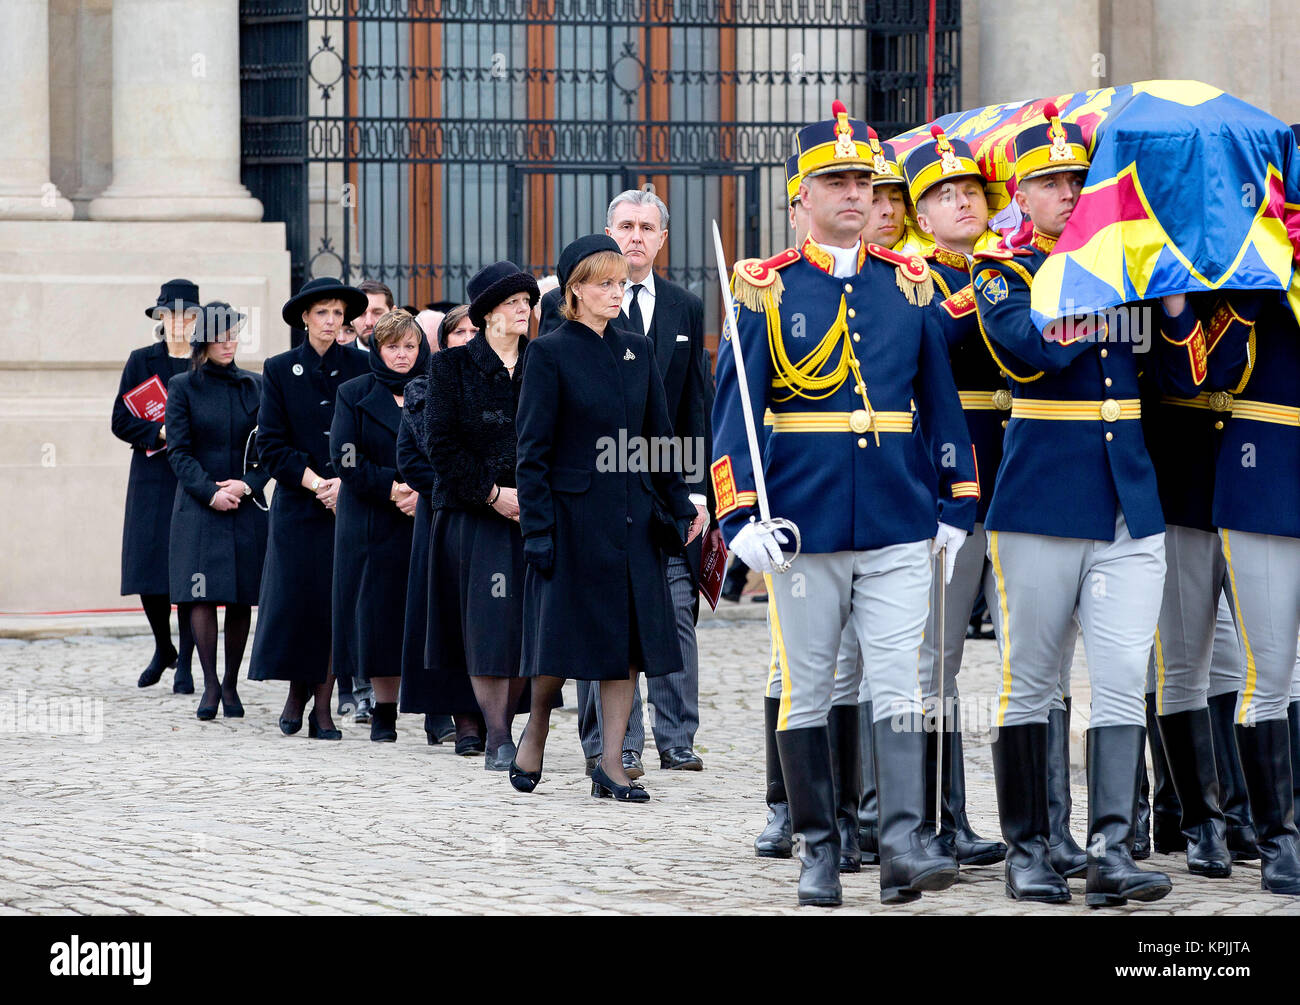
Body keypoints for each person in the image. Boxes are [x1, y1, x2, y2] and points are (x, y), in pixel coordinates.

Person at [715, 101, 977, 907]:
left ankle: (900, 839)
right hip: (805, 520)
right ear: (801, 198)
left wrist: (956, 497)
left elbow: (938, 400)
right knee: (810, 684)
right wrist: (737, 517)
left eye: (863, 181)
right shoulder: (763, 288)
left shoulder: (910, 283)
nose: (855, 195)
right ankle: (819, 848)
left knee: (899, 678)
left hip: (899, 512)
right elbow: (732, 413)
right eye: (835, 181)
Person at [967, 103, 1175, 907]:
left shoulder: (1131, 266)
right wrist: (1104, 297)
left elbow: (1178, 377)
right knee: (1032, 681)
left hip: (1129, 499)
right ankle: (1028, 849)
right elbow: (1029, 346)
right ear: (1021, 193)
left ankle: (1112, 848)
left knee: (1123, 676)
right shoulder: (1001, 266)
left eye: (1076, 179)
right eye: (1049, 181)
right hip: (1042, 501)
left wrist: (1175, 307)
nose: (1065, 191)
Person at [513, 234, 699, 802]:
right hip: (571, 522)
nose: (618, 293)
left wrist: (681, 503)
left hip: (631, 520)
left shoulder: (637, 350)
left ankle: (611, 764)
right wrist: (538, 530)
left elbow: (658, 437)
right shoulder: (548, 353)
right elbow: (532, 453)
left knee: (625, 649)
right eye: (605, 284)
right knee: (562, 643)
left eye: (622, 283)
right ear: (575, 292)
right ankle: (538, 724)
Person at [573, 189, 713, 779]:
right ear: (608, 232)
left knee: (677, 609)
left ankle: (676, 735)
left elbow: (696, 405)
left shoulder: (686, 306)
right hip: (602, 482)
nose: (634, 236)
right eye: (625, 226)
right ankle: (612, 742)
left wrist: (698, 487)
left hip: (668, 485)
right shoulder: (581, 306)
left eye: (645, 227)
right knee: (603, 613)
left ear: (662, 239)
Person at [899, 128, 1009, 870]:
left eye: (970, 189)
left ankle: (1039, 823)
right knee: (938, 657)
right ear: (920, 216)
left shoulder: (1026, 265)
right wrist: (992, 288)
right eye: (943, 194)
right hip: (955, 467)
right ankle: (945, 817)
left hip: (1028, 462)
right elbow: (928, 338)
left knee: (1031, 656)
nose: (961, 200)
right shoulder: (914, 278)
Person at [1168, 282, 1300, 895]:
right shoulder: (1253, 276)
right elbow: (1204, 369)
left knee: (1286, 675)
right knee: (1241, 669)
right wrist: (1252, 285)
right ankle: (1242, 831)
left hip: (1264, 471)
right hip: (1241, 474)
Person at [1141, 289, 1265, 877]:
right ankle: (1200, 823)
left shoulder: (1265, 276)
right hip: (1182, 478)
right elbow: (1188, 375)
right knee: (1182, 662)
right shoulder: (1170, 273)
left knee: (1255, 666)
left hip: (1254, 482)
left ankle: (1247, 812)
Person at [420, 263, 538, 769]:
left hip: (532, 512)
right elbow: (440, 445)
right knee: (487, 625)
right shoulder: (451, 367)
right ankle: (496, 735)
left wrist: (530, 494)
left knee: (522, 627)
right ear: (487, 312)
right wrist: (493, 494)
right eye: (513, 303)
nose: (524, 311)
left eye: (528, 303)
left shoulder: (541, 361)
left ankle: (509, 726)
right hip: (473, 514)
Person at [247, 277, 370, 739]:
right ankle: (297, 695)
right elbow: (271, 446)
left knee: (336, 605)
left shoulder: (361, 366)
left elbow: (369, 435)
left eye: (339, 313)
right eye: (323, 313)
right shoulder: (278, 369)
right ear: (305, 317)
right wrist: (318, 483)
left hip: (348, 505)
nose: (332, 321)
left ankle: (322, 707)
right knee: (299, 603)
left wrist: (346, 483)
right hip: (299, 505)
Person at [164, 302, 269, 719]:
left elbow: (269, 449)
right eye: (221, 336)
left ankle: (231, 683)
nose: (229, 343)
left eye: (234, 334)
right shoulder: (182, 386)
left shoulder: (256, 386)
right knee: (202, 594)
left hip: (244, 502)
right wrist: (210, 492)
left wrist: (247, 485)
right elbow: (179, 451)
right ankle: (209, 684)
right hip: (199, 505)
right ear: (203, 340)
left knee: (241, 596)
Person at [330, 309, 430, 742]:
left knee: (426, 615)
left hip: (425, 515)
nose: (403, 355)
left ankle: (438, 712)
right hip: (373, 518)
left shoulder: (436, 388)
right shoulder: (354, 392)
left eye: (410, 346)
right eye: (393, 346)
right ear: (378, 348)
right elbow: (345, 456)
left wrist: (423, 491)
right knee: (379, 618)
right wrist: (394, 489)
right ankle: (384, 710)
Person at [114, 279, 200, 693]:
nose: (177, 321)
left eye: (185, 314)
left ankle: (185, 660)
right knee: (148, 568)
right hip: (151, 474)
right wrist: (159, 432)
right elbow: (120, 420)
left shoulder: (205, 363)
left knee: (185, 568)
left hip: (193, 475)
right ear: (160, 319)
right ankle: (163, 646)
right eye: (169, 314)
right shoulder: (141, 360)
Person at [354, 279, 394, 351]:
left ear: (393, 314)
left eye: (377, 313)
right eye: (361, 314)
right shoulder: (336, 360)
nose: (369, 323)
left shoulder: (412, 359)